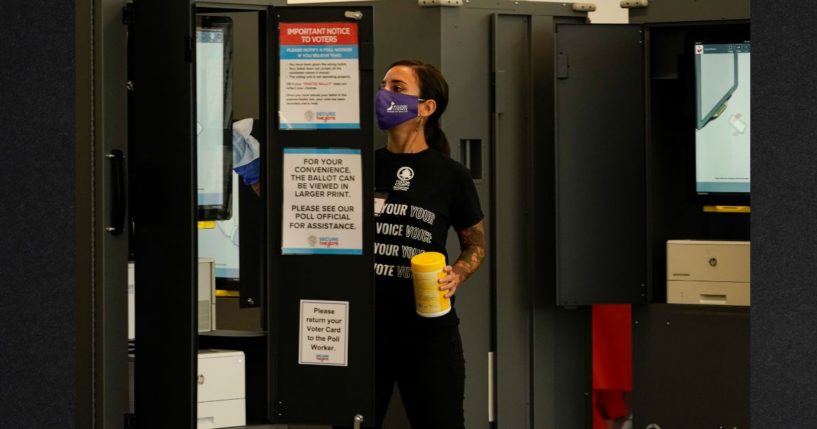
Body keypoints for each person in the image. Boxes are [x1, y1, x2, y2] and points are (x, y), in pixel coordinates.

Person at [371, 59, 486, 428]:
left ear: (426, 107)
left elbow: (476, 244)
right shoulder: (360, 165)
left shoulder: (450, 175)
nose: (384, 93)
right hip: (367, 329)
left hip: (428, 332)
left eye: (398, 87)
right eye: (383, 84)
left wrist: (459, 274)